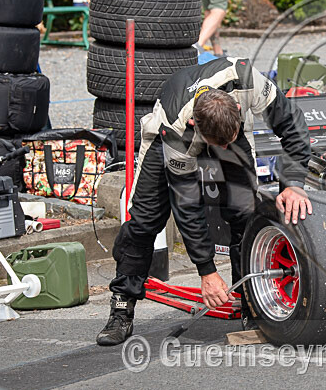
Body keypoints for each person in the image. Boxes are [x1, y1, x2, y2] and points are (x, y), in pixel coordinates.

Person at [96, 57, 313, 346]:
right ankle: (122, 306)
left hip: (225, 126)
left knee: (245, 214)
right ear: (195, 124)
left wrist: (294, 184)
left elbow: (293, 125)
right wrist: (206, 271)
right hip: (167, 133)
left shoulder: (248, 81)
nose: (221, 151)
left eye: (226, 142)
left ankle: (251, 303)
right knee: (145, 221)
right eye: (216, 146)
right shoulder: (179, 130)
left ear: (238, 110)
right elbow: (187, 206)